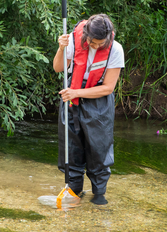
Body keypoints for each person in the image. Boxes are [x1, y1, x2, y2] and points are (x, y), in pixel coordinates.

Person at [53, 14, 125, 205]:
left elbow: (108, 88)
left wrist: (77, 93)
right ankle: (74, 192)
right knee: (71, 149)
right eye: (92, 42)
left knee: (98, 150)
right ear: (85, 35)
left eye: (100, 44)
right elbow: (58, 67)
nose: (95, 46)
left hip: (98, 101)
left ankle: (99, 196)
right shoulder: (74, 40)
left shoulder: (115, 49)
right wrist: (61, 48)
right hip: (72, 96)